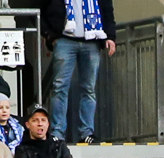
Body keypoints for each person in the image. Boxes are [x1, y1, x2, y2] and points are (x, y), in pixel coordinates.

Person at [40, 0, 116, 143]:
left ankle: (87, 133)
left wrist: (110, 37)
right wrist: (49, 35)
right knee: (60, 87)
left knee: (89, 89)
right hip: (64, 40)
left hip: (92, 41)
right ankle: (57, 133)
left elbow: (107, 11)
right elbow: (42, 9)